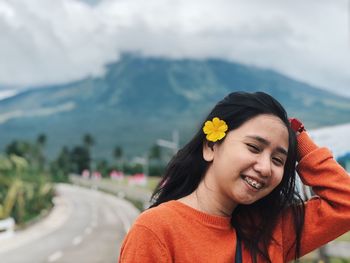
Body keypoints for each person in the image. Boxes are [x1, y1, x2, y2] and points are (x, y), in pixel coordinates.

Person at [119, 91, 350, 262]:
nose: (265, 167)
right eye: (254, 147)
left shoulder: (271, 232)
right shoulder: (156, 230)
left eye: (278, 160)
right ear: (211, 146)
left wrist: (299, 140)